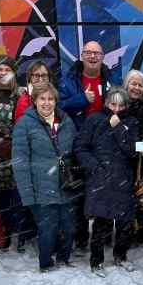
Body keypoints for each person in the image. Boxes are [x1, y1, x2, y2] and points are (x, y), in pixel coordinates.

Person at [12, 83, 78, 272]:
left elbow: (75, 150)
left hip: (66, 184)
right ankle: (46, 263)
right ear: (34, 101)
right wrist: (27, 194)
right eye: (42, 98)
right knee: (48, 229)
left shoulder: (66, 120)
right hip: (42, 187)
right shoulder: (24, 124)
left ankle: (64, 258)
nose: (47, 103)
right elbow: (20, 162)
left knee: (69, 226)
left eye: (50, 99)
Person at [74, 87, 139, 276]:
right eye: (113, 104)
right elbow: (81, 147)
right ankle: (96, 261)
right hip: (100, 178)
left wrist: (118, 127)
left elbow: (132, 150)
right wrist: (94, 167)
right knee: (101, 223)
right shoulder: (94, 119)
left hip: (123, 179)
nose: (116, 109)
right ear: (106, 103)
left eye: (121, 105)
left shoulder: (131, 122)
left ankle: (121, 256)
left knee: (125, 223)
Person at [59, 40, 113, 252]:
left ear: (102, 56)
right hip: (79, 143)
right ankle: (81, 238)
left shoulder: (110, 78)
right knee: (79, 193)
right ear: (81, 55)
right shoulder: (69, 79)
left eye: (96, 53)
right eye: (88, 52)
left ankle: (105, 235)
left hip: (105, 143)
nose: (92, 56)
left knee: (106, 190)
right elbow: (58, 106)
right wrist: (81, 99)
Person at [0, 55, 30, 253]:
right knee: (0, 198)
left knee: (17, 197)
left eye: (7, 69)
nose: (2, 73)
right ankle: (6, 235)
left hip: (14, 153)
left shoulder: (20, 95)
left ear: (13, 72)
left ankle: (22, 236)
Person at [123, 69, 143, 244]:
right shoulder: (119, 104)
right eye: (133, 83)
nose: (136, 88)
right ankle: (125, 232)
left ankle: (141, 232)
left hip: (142, 161)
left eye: (140, 85)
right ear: (126, 85)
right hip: (123, 159)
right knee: (124, 197)